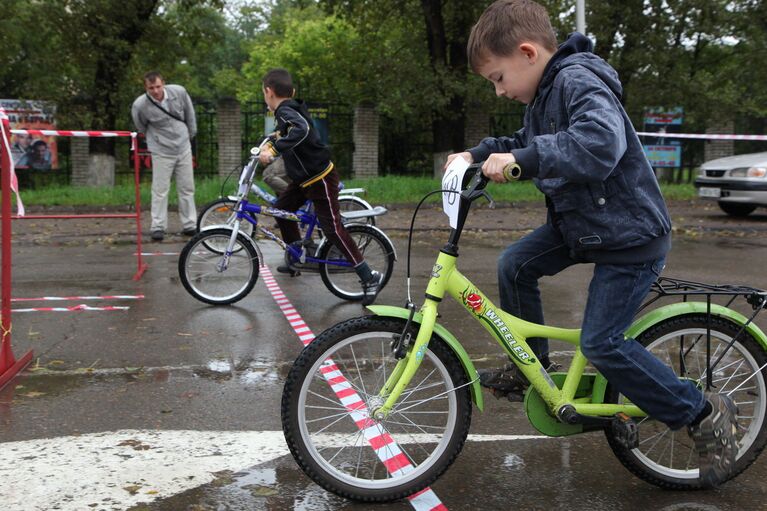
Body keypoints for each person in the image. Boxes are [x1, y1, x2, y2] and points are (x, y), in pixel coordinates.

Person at [447, 0, 738, 488]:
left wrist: (521, 158)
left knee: (601, 343)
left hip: (630, 236)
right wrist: (479, 153)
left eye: (498, 78)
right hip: (583, 227)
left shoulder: (579, 80)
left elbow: (599, 144)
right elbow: (525, 136)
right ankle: (532, 367)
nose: (498, 90)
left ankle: (702, 411)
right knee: (515, 265)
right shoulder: (543, 95)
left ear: (527, 53)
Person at [258, 68, 383, 305]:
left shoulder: (286, 110)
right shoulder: (289, 110)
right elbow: (291, 130)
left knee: (332, 228)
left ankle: (369, 276)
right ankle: (296, 255)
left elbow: (301, 130)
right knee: (281, 211)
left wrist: (273, 150)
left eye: (264, 93)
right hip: (303, 180)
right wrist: (270, 141)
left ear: (268, 91)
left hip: (320, 178)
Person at [131, 71, 197, 241]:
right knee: (160, 190)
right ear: (146, 88)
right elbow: (141, 125)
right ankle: (158, 226)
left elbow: (190, 114)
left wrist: (190, 134)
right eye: (151, 88)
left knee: (187, 187)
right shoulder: (140, 105)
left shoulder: (179, 92)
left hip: (183, 146)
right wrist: (156, 140)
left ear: (164, 84)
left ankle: (190, 224)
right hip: (161, 150)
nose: (155, 91)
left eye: (158, 86)